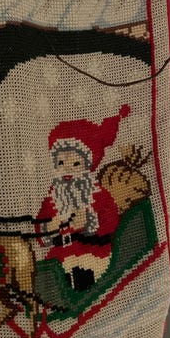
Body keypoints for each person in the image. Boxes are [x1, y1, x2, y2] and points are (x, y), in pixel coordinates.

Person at [36, 105, 130, 291]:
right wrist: (47, 228)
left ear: (87, 164)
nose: (68, 169)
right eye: (61, 162)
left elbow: (111, 219)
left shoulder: (96, 193)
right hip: (59, 254)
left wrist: (89, 221)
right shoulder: (52, 197)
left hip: (93, 252)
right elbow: (40, 223)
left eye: (76, 163)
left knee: (82, 274)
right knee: (49, 277)